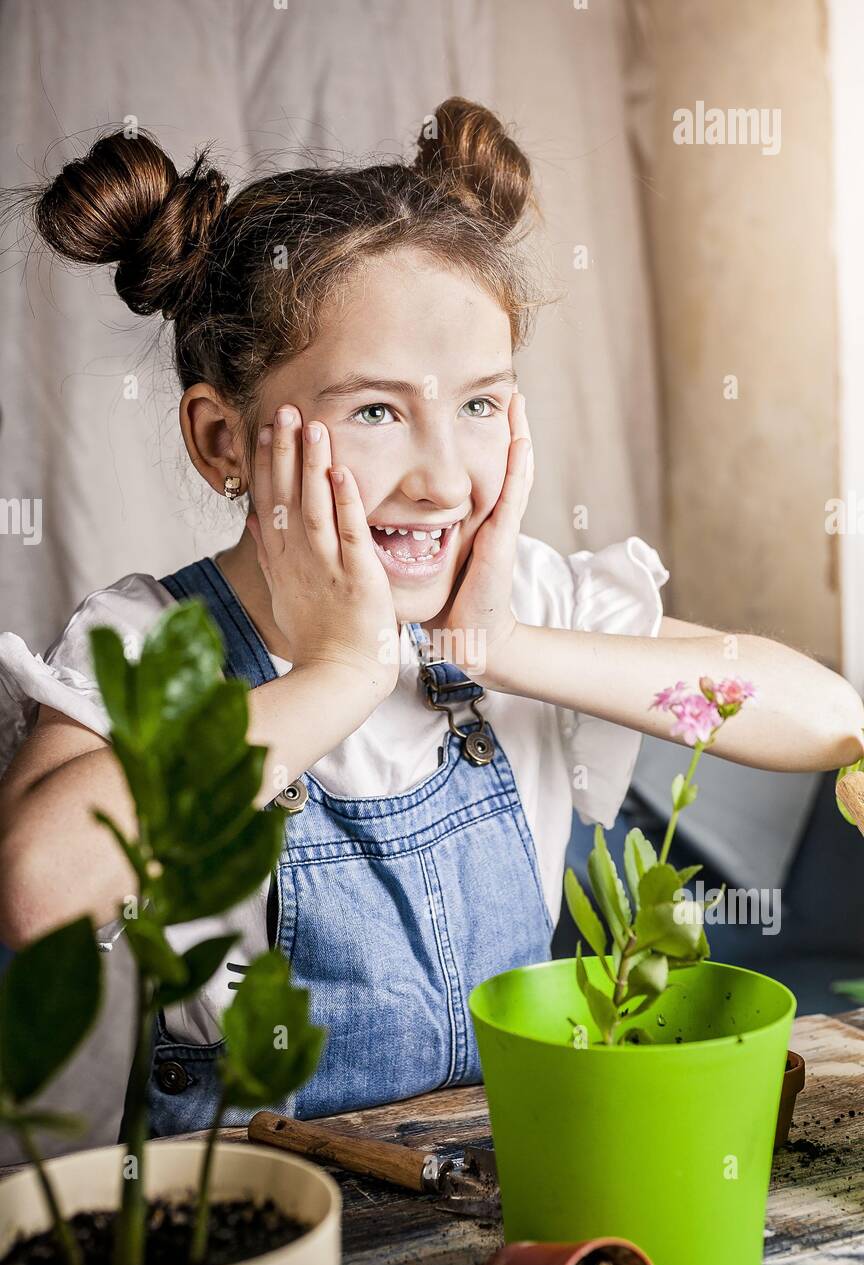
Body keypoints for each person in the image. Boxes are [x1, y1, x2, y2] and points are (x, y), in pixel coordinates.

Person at [1, 97, 861, 1135]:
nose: (443, 478)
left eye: (481, 404)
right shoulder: (152, 645)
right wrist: (336, 678)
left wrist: (499, 647)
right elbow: (41, 884)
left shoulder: (518, 605)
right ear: (221, 439)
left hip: (507, 1187)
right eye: (375, 412)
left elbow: (821, 717)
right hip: (268, 1220)